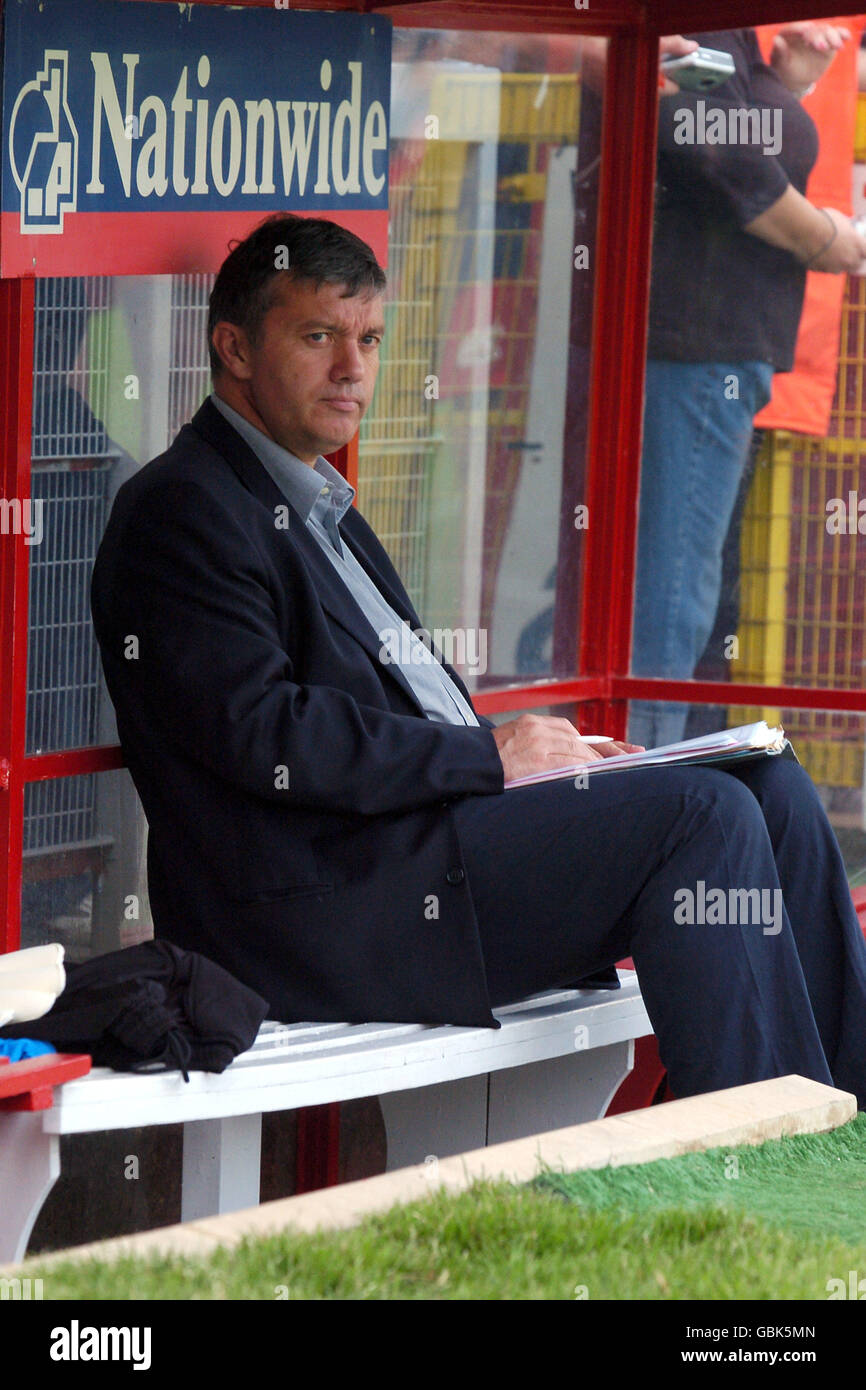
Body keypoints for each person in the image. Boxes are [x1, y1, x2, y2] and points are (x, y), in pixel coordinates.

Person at [91, 214, 866, 1107]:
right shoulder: (181, 508)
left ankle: (841, 1134)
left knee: (768, 786)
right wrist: (490, 758)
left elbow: (392, 709)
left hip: (421, 854)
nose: (353, 369)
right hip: (316, 912)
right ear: (232, 347)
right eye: (318, 337)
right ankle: (747, 1168)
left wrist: (537, 764)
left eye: (371, 340)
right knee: (702, 816)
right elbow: (262, 731)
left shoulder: (309, 497)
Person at [629, 24, 866, 751]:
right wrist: (827, 237)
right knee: (672, 592)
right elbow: (719, 151)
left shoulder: (732, 34)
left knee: (680, 588)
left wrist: (787, 84)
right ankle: (640, 773)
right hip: (694, 347)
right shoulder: (703, 21)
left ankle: (643, 763)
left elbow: (730, 132)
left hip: (712, 348)